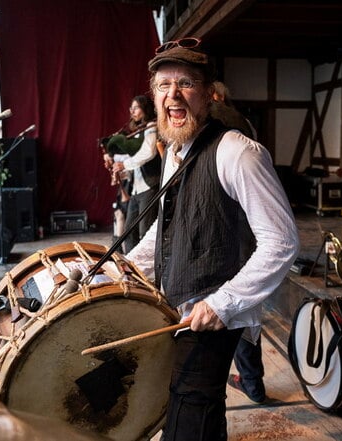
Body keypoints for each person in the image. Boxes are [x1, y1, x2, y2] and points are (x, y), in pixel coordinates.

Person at [125, 38, 299, 440]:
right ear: (154, 97)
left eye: (185, 83)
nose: (173, 94)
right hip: (177, 303)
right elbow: (163, 227)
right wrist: (123, 270)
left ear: (208, 93)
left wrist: (222, 304)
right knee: (191, 409)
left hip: (215, 309)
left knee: (190, 414)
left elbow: (282, 241)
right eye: (163, 85)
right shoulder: (173, 151)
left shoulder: (239, 153)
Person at [209, 81, 267, 404]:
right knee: (241, 314)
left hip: (237, 230)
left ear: (215, 97)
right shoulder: (240, 123)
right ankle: (250, 380)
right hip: (236, 230)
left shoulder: (230, 125)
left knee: (240, 312)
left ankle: (252, 384)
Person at [110, 95, 161, 253]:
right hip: (136, 189)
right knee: (129, 230)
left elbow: (148, 152)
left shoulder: (152, 127)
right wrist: (121, 169)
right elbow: (136, 161)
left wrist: (124, 164)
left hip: (149, 186)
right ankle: (133, 267)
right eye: (131, 108)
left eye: (136, 107)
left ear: (145, 109)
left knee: (145, 231)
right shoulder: (139, 131)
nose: (132, 111)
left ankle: (147, 272)